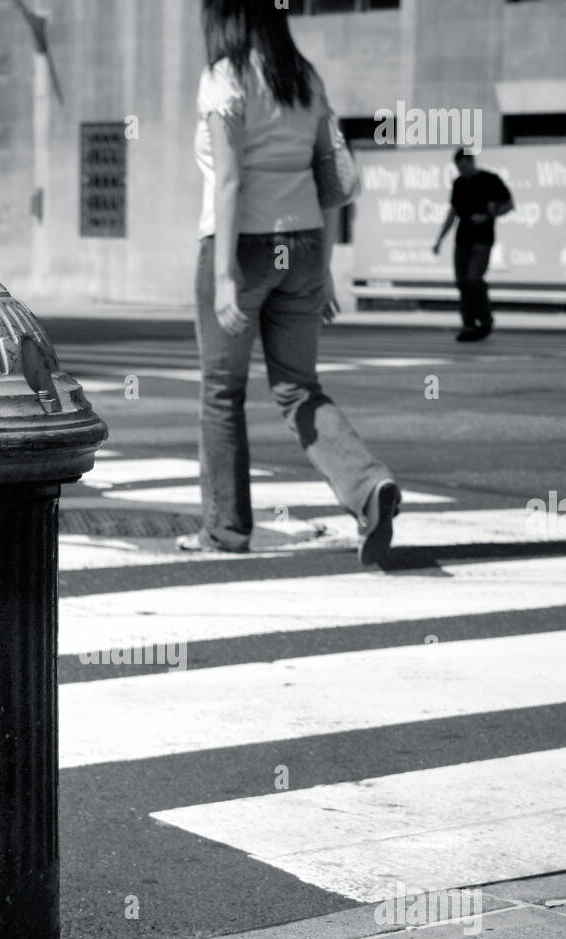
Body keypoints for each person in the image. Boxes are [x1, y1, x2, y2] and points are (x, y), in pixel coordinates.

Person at [180, 0, 401, 566]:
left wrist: (225, 275)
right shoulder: (306, 79)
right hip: (302, 245)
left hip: (243, 247)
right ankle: (367, 485)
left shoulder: (225, 78)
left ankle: (225, 531)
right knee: (300, 387)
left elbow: (229, 182)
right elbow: (331, 182)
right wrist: (324, 268)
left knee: (222, 392)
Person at [433, 148, 514, 342]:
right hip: (462, 239)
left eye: (464, 165)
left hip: (483, 239)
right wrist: (439, 240)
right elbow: (452, 213)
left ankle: (485, 320)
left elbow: (509, 205)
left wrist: (489, 214)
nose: (461, 170)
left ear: (471, 162)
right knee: (462, 283)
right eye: (458, 167)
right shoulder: (459, 184)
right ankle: (469, 325)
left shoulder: (490, 180)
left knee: (473, 279)